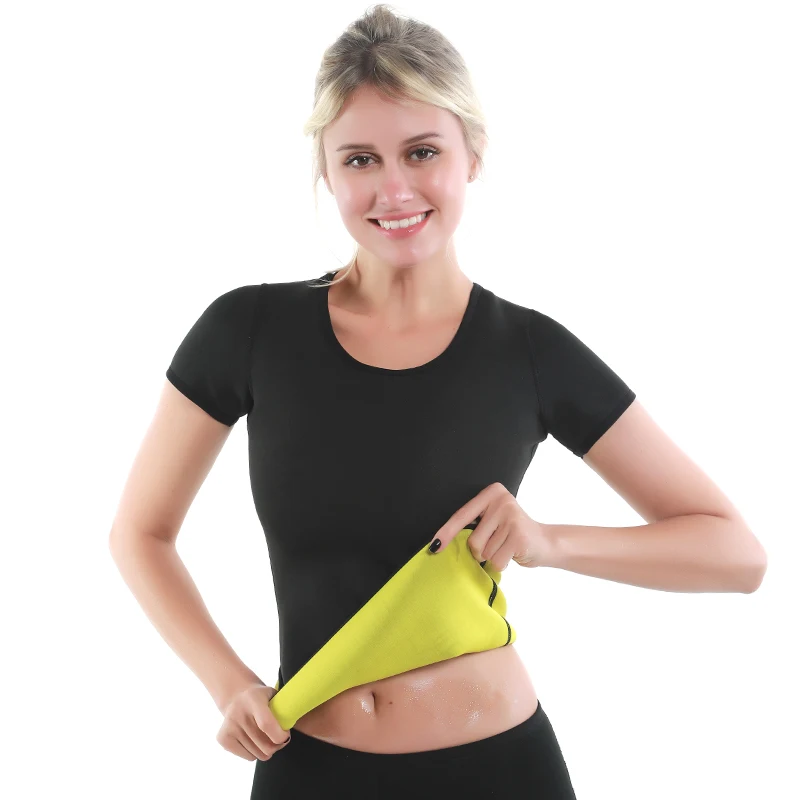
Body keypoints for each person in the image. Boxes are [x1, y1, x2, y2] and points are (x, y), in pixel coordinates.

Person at [109, 5, 767, 798]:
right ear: (326, 169)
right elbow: (140, 533)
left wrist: (548, 541)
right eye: (360, 159)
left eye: (422, 152)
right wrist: (228, 682)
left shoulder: (531, 351)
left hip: (504, 770)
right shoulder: (247, 331)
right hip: (310, 767)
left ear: (472, 155)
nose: (394, 189)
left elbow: (736, 554)